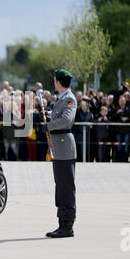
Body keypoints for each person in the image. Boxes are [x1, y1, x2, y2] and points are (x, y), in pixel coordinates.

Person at [41, 69, 77, 238]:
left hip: (64, 146)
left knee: (66, 188)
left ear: (58, 81)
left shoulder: (69, 99)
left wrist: (49, 125)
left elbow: (66, 120)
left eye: (55, 80)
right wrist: (49, 116)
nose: (53, 82)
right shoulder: (62, 99)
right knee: (60, 188)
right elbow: (59, 117)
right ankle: (62, 223)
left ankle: (68, 226)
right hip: (58, 147)